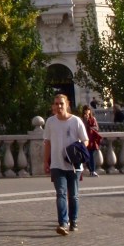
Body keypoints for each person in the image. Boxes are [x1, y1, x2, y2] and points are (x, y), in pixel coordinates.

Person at [44, 94, 88, 236]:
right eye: (56, 104)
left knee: (73, 195)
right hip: (57, 164)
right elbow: (47, 143)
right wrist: (46, 161)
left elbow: (85, 140)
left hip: (74, 165)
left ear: (67, 104)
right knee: (61, 193)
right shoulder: (50, 122)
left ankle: (73, 221)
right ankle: (63, 223)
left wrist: (77, 149)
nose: (59, 106)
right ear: (53, 106)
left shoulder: (76, 121)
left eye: (61, 103)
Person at [82, 107, 101, 177]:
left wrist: (91, 128)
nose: (86, 111)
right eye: (85, 110)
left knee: (91, 156)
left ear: (90, 111)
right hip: (85, 139)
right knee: (86, 156)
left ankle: (92, 170)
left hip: (92, 139)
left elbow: (97, 128)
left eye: (88, 110)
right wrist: (85, 120)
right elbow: (82, 128)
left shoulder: (93, 119)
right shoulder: (82, 119)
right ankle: (90, 169)